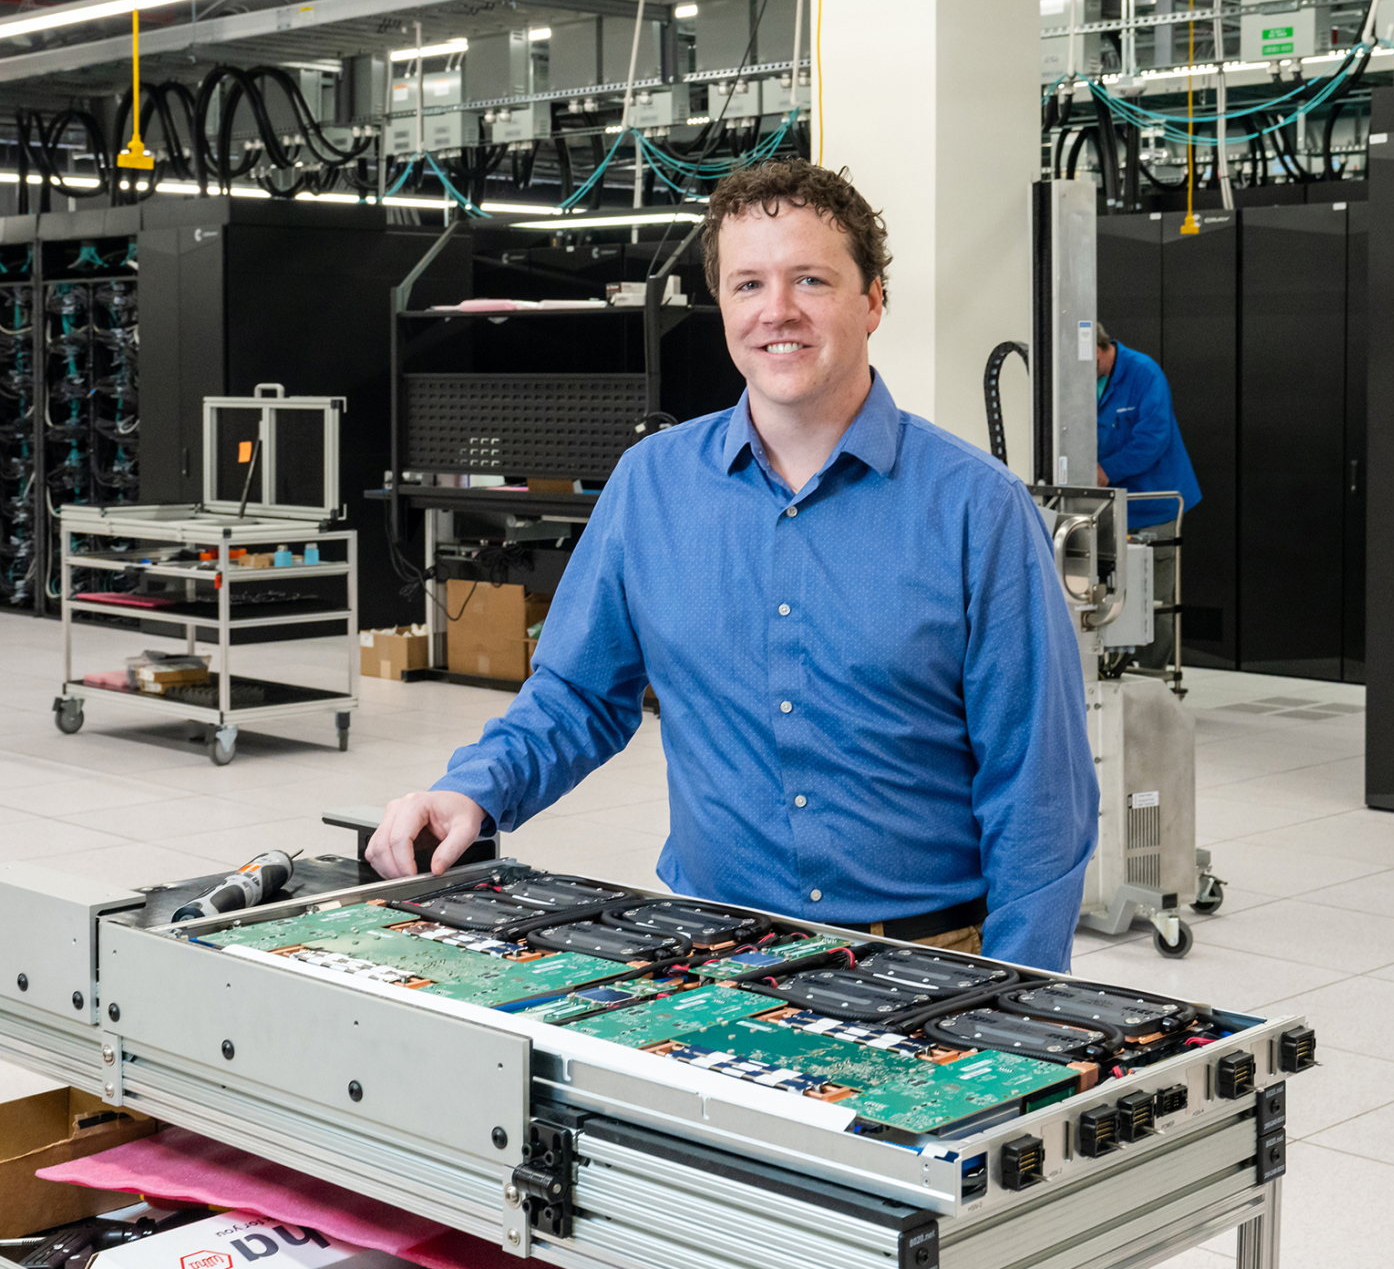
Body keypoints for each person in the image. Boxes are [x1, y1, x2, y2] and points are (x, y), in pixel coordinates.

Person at [367, 161, 1098, 972]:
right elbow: (577, 693)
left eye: (811, 279)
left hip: (929, 957)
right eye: (748, 285)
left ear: (873, 300)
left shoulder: (978, 509)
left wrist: (1018, 991)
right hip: (711, 950)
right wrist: (474, 788)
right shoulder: (652, 485)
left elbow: (1039, 784)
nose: (777, 312)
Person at [1094, 324, 1202, 673]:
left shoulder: (1144, 373)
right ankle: (1113, 670)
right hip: (1109, 509)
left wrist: (1106, 470)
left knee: (1154, 600)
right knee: (1109, 595)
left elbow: (1153, 439)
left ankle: (1152, 679)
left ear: (1097, 350)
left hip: (1154, 503)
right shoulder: (1082, 382)